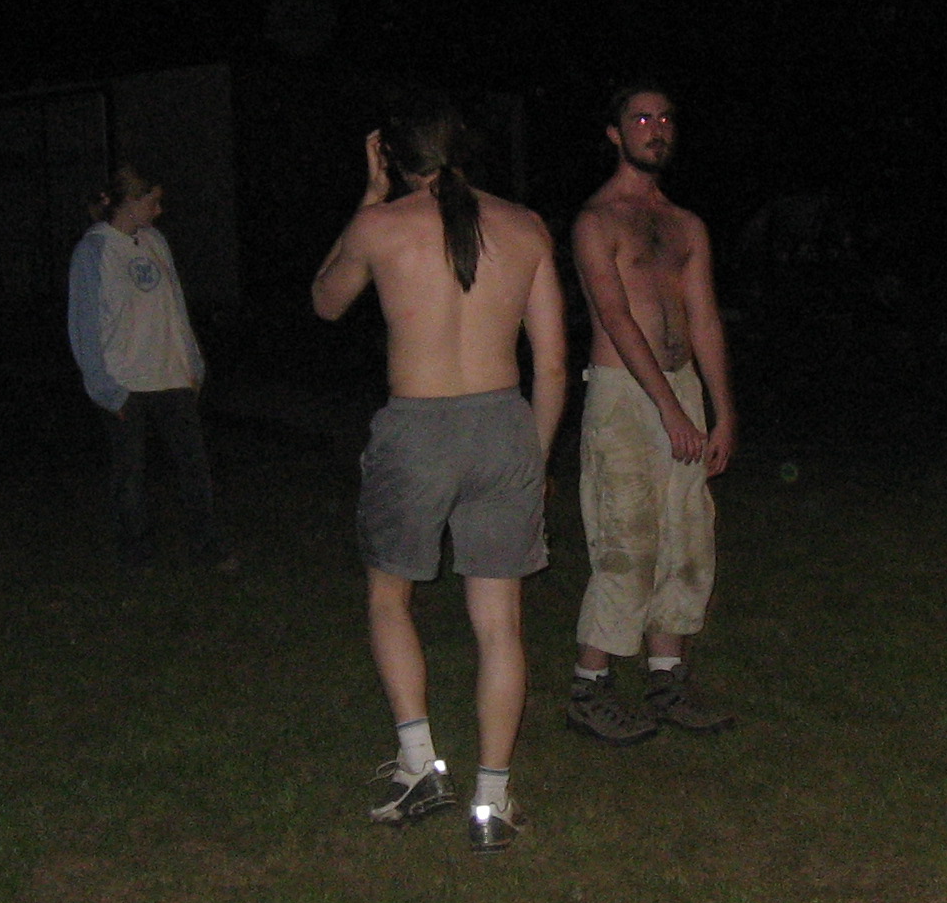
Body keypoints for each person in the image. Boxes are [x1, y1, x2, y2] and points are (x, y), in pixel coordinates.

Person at [312, 98, 567, 852]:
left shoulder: (380, 227)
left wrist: (368, 196)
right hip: (502, 429)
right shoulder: (525, 227)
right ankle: (492, 801)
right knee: (499, 624)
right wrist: (535, 458)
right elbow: (552, 363)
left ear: (393, 159)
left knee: (390, 597)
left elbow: (325, 302)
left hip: (418, 431)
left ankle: (421, 764)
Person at [564, 84, 740, 743]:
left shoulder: (686, 225)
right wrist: (668, 410)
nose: (655, 128)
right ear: (614, 134)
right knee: (627, 540)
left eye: (665, 117)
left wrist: (721, 412)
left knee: (687, 537)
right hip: (624, 397)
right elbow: (615, 317)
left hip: (683, 390)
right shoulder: (596, 221)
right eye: (640, 117)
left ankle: (667, 680)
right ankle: (589, 687)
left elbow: (704, 318)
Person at [67, 165, 236, 570]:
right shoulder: (94, 250)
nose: (159, 210)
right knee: (131, 474)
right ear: (130, 201)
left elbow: (175, 306)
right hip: (126, 382)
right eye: (153, 202)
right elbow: (84, 325)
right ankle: (136, 552)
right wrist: (106, 390)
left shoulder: (156, 241)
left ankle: (206, 546)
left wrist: (192, 363)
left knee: (194, 467)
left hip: (172, 377)